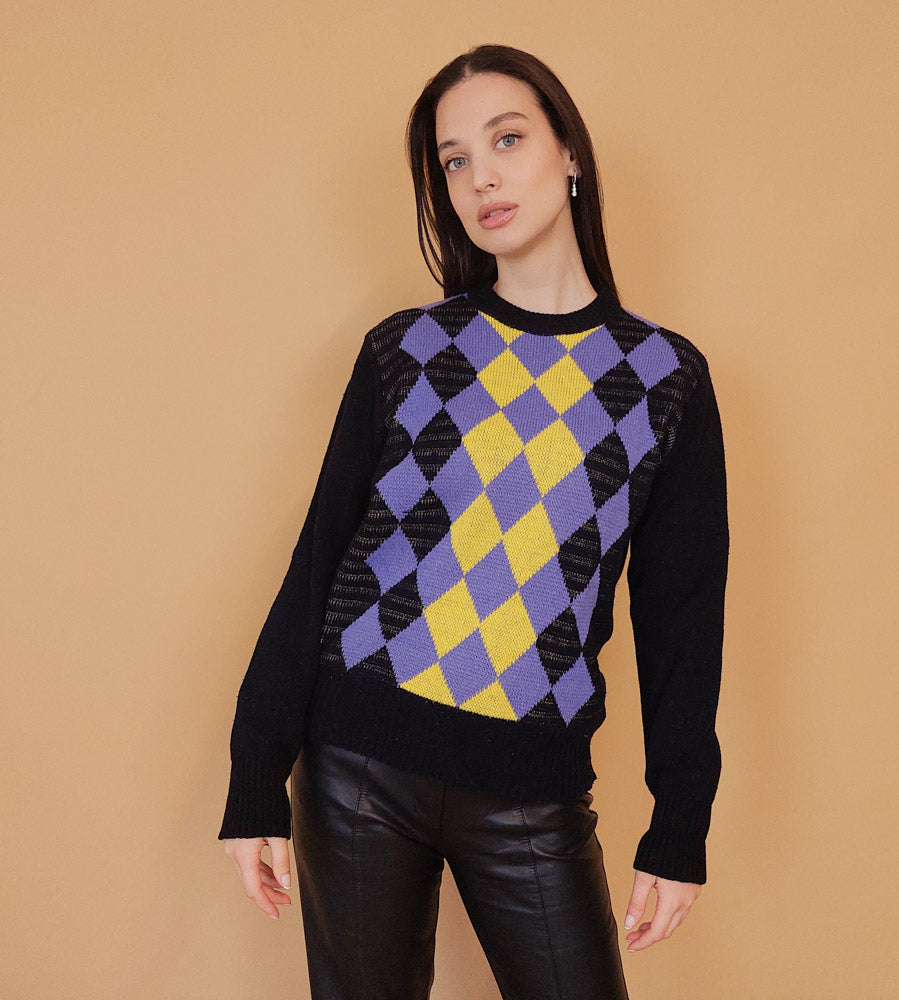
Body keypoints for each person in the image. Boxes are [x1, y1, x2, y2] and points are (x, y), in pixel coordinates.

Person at [219, 43, 729, 1000]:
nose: (480, 177)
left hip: (531, 784)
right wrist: (256, 779)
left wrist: (680, 827)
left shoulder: (664, 381)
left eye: (507, 139)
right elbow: (320, 564)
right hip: (357, 769)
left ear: (570, 153)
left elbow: (683, 626)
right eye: (454, 160)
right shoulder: (408, 350)